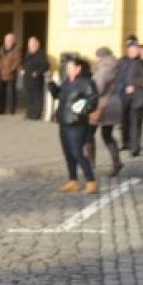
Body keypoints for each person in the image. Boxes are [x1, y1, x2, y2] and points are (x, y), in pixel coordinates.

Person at [48, 56, 99, 194]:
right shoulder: (66, 82)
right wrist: (51, 84)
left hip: (77, 123)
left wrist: (83, 110)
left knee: (77, 152)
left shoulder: (86, 82)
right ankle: (73, 180)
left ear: (78, 68)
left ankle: (91, 180)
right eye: (67, 68)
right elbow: (58, 95)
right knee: (68, 153)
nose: (67, 70)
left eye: (70, 68)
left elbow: (93, 100)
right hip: (64, 121)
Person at [89, 47, 124, 177]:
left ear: (101, 56)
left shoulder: (104, 68)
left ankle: (90, 163)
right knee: (107, 135)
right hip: (114, 104)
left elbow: (98, 88)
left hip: (103, 106)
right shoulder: (116, 66)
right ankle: (117, 162)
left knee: (88, 133)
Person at [114, 37, 143, 155]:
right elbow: (117, 77)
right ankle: (125, 142)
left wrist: (134, 86)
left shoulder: (141, 62)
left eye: (135, 49)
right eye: (131, 49)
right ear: (127, 50)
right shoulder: (121, 61)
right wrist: (122, 89)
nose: (134, 51)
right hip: (123, 96)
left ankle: (135, 147)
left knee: (135, 123)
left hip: (137, 96)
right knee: (124, 121)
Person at [21, 36, 49, 120]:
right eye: (30, 44)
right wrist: (22, 69)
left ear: (37, 44)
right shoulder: (27, 54)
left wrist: (37, 72)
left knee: (36, 97)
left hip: (36, 79)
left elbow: (46, 65)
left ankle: (36, 114)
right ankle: (29, 113)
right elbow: (24, 64)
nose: (31, 46)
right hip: (27, 79)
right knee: (28, 96)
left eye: (33, 44)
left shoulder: (41, 54)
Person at [0, 33, 22, 115]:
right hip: (2, 73)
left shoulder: (17, 49)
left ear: (13, 41)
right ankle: (1, 109)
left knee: (12, 92)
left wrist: (11, 69)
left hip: (11, 73)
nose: (8, 42)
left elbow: (18, 61)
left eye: (9, 40)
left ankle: (12, 109)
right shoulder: (2, 48)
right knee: (2, 92)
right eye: (6, 40)